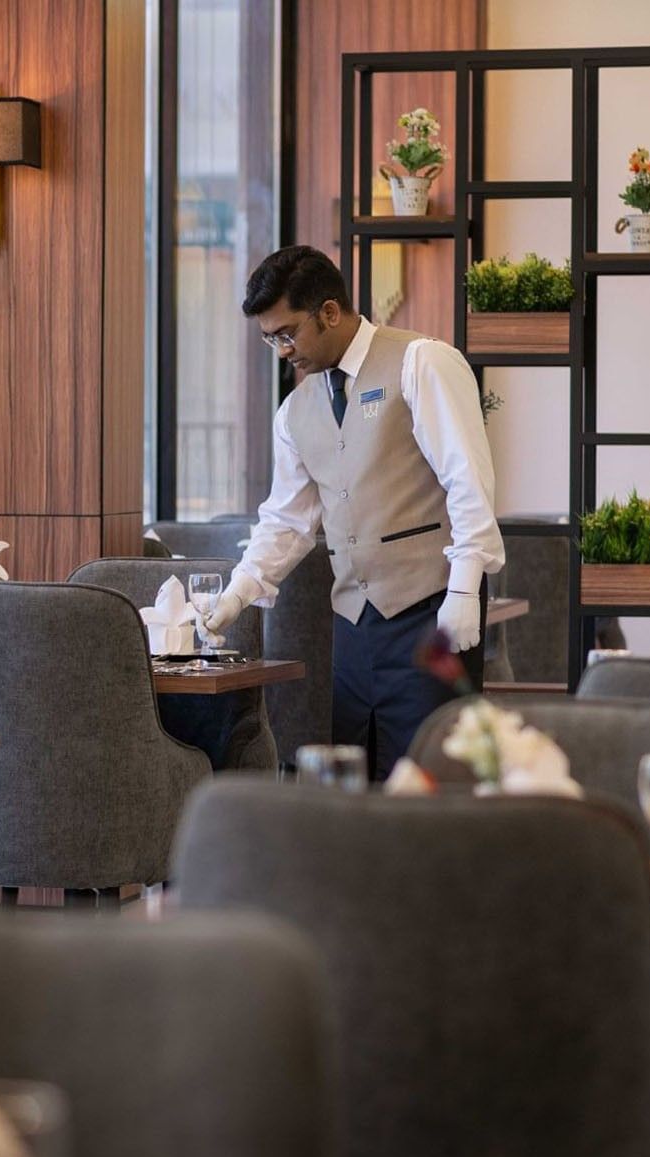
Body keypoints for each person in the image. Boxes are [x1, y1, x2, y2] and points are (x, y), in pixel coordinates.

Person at [204, 245, 502, 778]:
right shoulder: (294, 412)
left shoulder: (422, 361)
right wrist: (238, 591)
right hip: (353, 628)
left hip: (430, 610)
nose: (281, 350)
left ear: (330, 312)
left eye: (288, 333)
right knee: (358, 783)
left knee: (431, 781)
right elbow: (288, 521)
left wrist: (464, 588)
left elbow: (468, 479)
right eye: (270, 338)